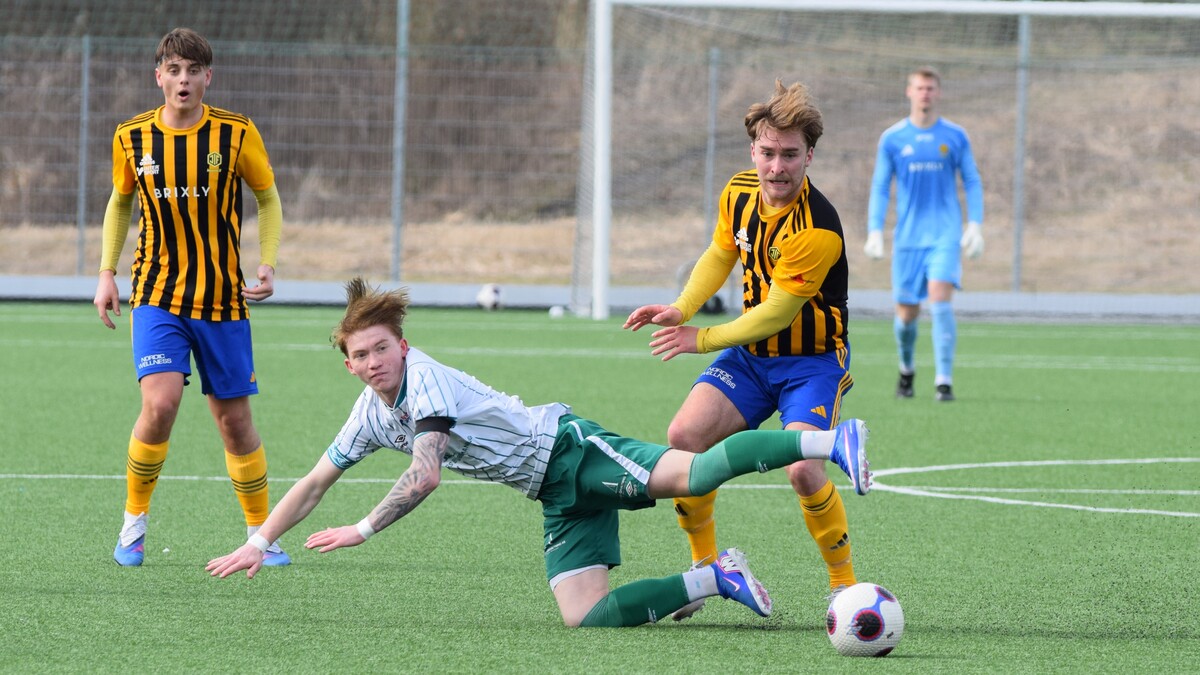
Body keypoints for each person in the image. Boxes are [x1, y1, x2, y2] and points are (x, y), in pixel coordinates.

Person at [205, 278, 872, 628]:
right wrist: (260, 540)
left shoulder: (424, 380)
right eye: (362, 354)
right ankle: (714, 577)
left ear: (402, 346)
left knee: (692, 471)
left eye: (383, 347)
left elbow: (425, 474)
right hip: (550, 489)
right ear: (349, 365)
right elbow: (316, 480)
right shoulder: (369, 413)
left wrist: (363, 527)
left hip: (570, 450)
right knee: (583, 615)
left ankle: (829, 441)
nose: (375, 360)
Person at [623, 79, 864, 621]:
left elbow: (776, 314)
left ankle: (843, 586)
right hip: (751, 359)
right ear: (753, 149)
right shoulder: (737, 191)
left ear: (810, 155)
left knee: (803, 468)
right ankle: (707, 570)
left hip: (811, 363)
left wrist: (702, 338)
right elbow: (719, 253)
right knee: (684, 439)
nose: (777, 167)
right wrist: (682, 308)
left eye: (790, 154)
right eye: (767, 152)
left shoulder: (818, 228)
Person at [92, 28, 288, 567]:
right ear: (158, 76)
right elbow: (120, 203)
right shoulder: (131, 136)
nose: (183, 80)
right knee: (159, 405)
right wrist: (106, 272)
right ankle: (133, 526)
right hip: (156, 294)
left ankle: (261, 535)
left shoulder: (235, 133)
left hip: (223, 299)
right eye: (174, 70)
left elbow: (268, 199)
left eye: (193, 71)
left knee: (234, 422)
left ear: (208, 77)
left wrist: (268, 263)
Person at [863, 66, 985, 402]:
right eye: (919, 88)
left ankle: (944, 382)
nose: (925, 94)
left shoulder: (955, 136)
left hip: (945, 234)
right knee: (906, 315)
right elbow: (880, 186)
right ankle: (906, 369)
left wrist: (975, 224)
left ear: (938, 93)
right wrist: (875, 230)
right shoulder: (893, 138)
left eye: (930, 88)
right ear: (909, 92)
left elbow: (972, 180)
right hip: (908, 238)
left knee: (940, 300)